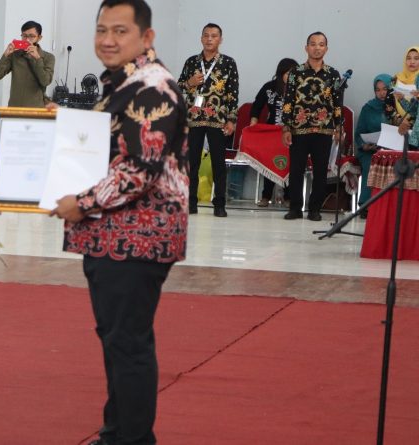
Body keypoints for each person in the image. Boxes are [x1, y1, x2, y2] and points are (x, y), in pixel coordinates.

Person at [49, 1, 188, 444]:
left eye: (120, 31)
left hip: (137, 236)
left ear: (147, 37)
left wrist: (81, 202)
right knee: (117, 339)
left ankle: (132, 440)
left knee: (127, 343)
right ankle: (117, 433)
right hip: (114, 236)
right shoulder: (122, 84)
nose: (107, 40)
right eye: (101, 29)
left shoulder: (152, 87)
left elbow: (139, 170)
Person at [177, 22, 238, 217]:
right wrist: (189, 82)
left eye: (214, 36)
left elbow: (232, 94)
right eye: (206, 35)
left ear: (220, 39)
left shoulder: (228, 63)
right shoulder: (191, 62)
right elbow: (178, 87)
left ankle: (219, 204)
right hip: (194, 118)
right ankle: (190, 203)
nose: (209, 39)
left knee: (218, 163)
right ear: (201, 38)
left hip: (217, 119)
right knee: (191, 163)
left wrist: (231, 120)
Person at [281, 32, 342, 221]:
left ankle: (315, 209)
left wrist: (339, 126)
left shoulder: (333, 74)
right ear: (306, 48)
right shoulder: (295, 73)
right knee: (296, 170)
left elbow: (337, 103)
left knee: (320, 171)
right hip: (299, 128)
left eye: (321, 44)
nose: (317, 48)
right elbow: (288, 101)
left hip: (324, 129)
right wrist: (286, 127)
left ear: (326, 49)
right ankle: (295, 208)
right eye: (313, 44)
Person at [250, 57, 298, 207]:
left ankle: (289, 197)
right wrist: (253, 122)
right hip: (272, 133)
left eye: (294, 74)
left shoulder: (300, 88)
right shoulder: (269, 87)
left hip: (292, 132)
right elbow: (257, 105)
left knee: (290, 164)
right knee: (269, 163)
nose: (291, 77)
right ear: (280, 73)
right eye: (288, 73)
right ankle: (266, 196)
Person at [354, 74, 393, 217]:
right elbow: (359, 133)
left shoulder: (398, 107)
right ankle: (366, 205)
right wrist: (364, 145)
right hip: (371, 150)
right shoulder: (368, 108)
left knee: (395, 164)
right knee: (371, 163)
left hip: (392, 150)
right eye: (378, 90)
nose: (382, 93)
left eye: (385, 89)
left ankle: (388, 206)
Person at [0, 20, 54, 107]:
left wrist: (38, 58)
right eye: (24, 36)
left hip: (36, 109)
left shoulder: (48, 57)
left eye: (31, 36)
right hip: (14, 108)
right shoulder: (15, 55)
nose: (27, 39)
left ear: (39, 38)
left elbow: (45, 81)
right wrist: (5, 55)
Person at [390, 46, 419, 149]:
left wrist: (410, 122)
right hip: (406, 131)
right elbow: (414, 110)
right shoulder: (396, 79)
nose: (412, 62)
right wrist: (401, 99)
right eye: (408, 58)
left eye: (416, 58)